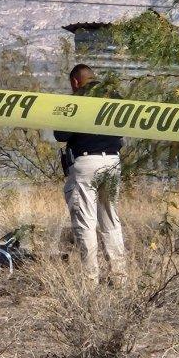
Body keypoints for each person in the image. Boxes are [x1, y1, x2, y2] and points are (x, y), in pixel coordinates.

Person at [54, 64, 126, 284]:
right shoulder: (115, 97)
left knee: (86, 222)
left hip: (86, 163)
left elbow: (61, 134)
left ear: (75, 82)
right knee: (111, 220)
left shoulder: (76, 99)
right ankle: (119, 277)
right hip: (113, 161)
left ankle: (90, 280)